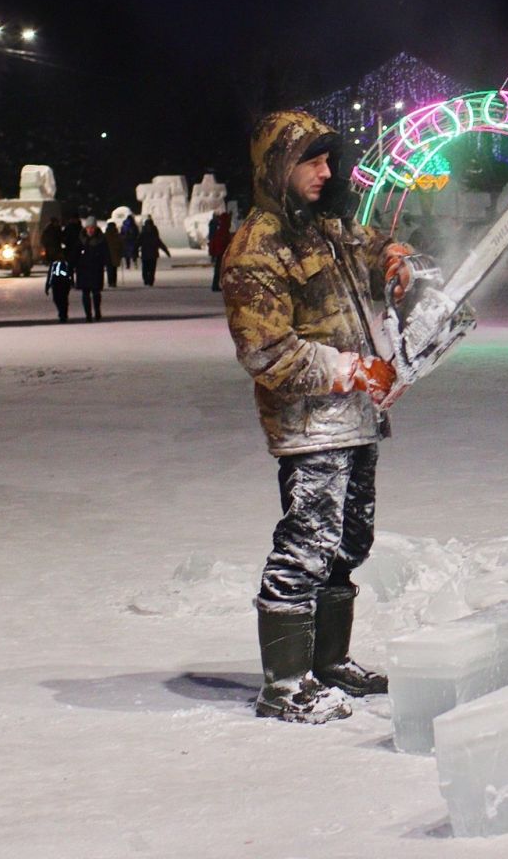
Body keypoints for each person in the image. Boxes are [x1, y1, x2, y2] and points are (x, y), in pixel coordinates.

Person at [221, 109, 421, 723]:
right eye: (311, 160)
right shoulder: (257, 247)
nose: (324, 171)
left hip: (355, 418)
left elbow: (369, 244)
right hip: (309, 425)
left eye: (328, 160)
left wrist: (393, 254)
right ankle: (284, 684)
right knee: (307, 541)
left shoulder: (324, 228)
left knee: (348, 540)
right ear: (278, 166)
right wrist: (353, 370)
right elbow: (266, 350)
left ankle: (328, 662)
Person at [46, 218, 82, 322]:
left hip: (63, 281)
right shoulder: (54, 231)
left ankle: (63, 314)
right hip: (56, 281)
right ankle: (62, 313)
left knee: (63, 298)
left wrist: (70, 281)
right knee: (57, 298)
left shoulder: (65, 262)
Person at [78, 220, 109, 321]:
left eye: (92, 228)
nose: (90, 230)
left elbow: (106, 253)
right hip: (84, 269)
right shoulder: (81, 239)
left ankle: (97, 311)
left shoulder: (101, 239)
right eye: (88, 227)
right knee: (85, 293)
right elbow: (75, 253)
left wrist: (105, 262)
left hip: (96, 269)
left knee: (96, 292)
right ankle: (88, 314)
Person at [138, 216, 170, 286]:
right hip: (146, 254)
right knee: (145, 269)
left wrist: (166, 251)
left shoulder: (154, 234)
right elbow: (137, 243)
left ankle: (150, 281)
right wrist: (134, 252)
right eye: (148, 225)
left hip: (153, 255)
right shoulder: (143, 234)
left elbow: (160, 244)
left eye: (150, 225)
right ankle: (146, 280)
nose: (149, 227)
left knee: (152, 269)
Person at [208, 210, 233, 292]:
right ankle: (218, 285)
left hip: (221, 253)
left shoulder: (221, 229)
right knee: (221, 270)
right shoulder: (223, 230)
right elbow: (223, 242)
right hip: (222, 254)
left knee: (220, 270)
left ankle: (217, 285)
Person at [103, 220, 123, 289]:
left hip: (107, 254)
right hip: (115, 254)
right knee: (114, 269)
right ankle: (113, 282)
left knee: (110, 269)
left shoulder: (106, 235)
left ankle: (110, 282)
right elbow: (121, 244)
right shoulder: (116, 234)